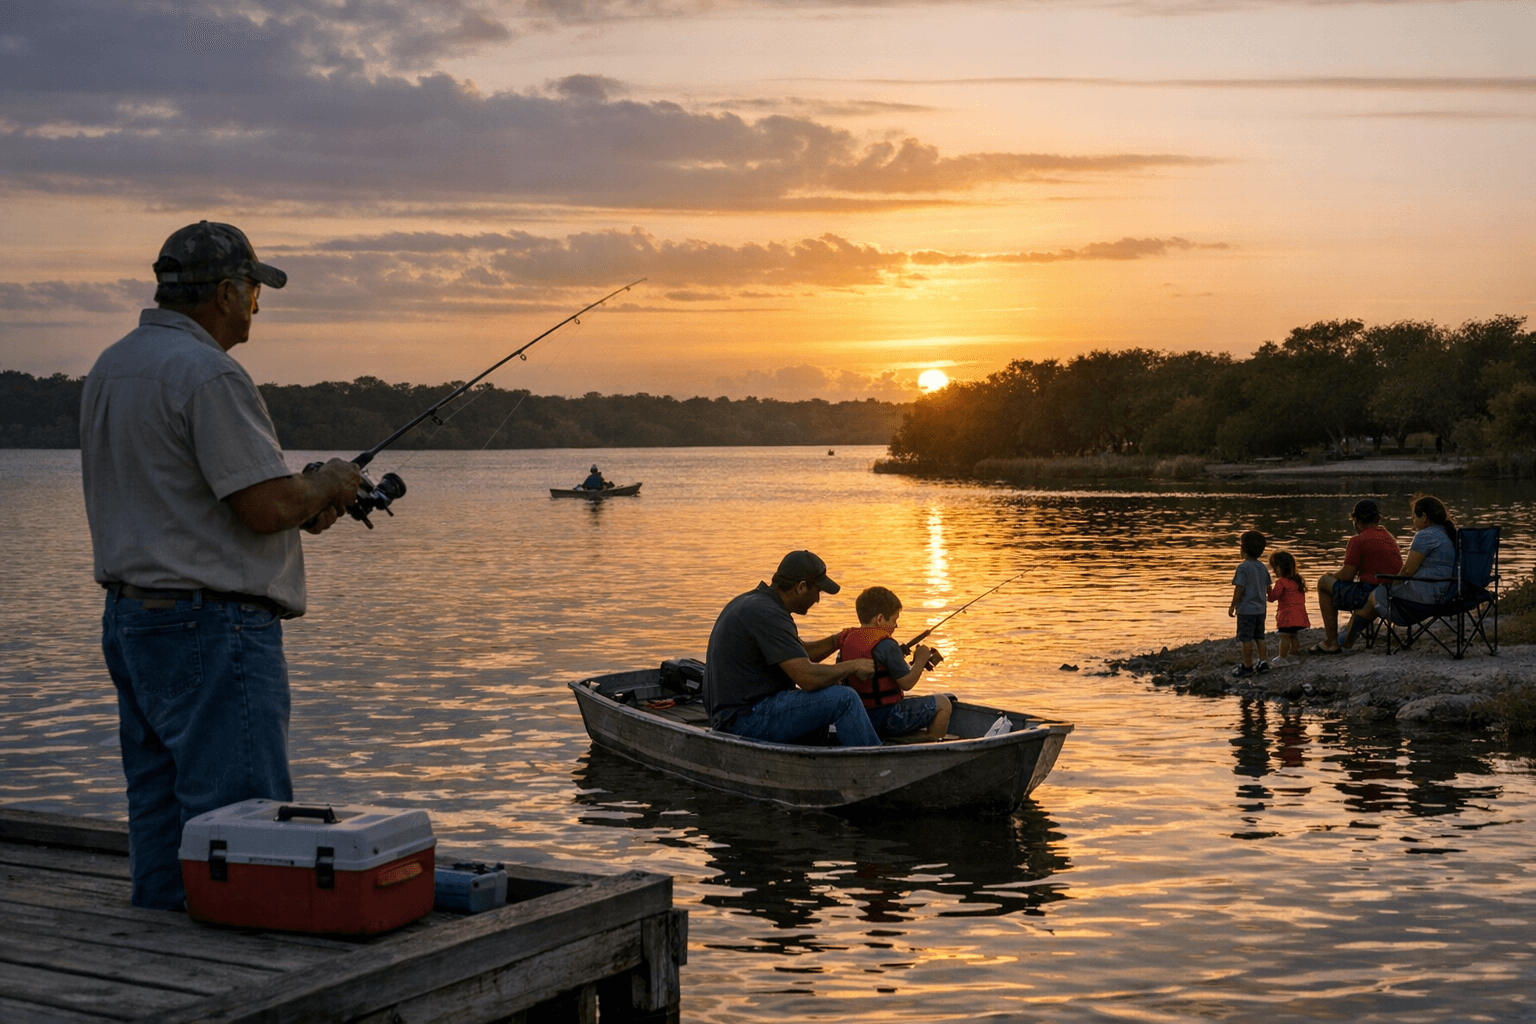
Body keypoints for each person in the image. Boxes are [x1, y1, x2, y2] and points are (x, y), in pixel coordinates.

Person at [79, 221, 362, 910]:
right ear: (228, 292)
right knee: (244, 818)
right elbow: (266, 506)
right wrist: (327, 482)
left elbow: (188, 499)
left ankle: (162, 940)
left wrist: (302, 505)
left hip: (132, 620)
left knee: (158, 803)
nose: (258, 306)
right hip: (211, 629)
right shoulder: (208, 373)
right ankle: (245, 955)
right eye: (255, 291)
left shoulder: (113, 365)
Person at [703, 550, 882, 747]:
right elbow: (807, 678)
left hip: (734, 715)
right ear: (801, 587)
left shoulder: (757, 603)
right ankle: (874, 761)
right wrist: (853, 666)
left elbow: (798, 654)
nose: (818, 599)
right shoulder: (768, 614)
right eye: (817, 591)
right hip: (745, 720)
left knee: (829, 690)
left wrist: (838, 640)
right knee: (844, 698)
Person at [836, 586, 953, 742]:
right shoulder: (887, 645)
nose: (896, 626)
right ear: (880, 619)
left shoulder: (846, 640)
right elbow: (907, 683)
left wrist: (899, 654)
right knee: (944, 703)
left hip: (859, 717)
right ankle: (932, 742)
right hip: (887, 717)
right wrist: (921, 659)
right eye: (894, 620)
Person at [1341, 494, 1459, 639]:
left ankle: (1346, 637)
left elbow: (1407, 570)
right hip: (1447, 595)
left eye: (1414, 518)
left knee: (1377, 594)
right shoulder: (1449, 534)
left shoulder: (1425, 536)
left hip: (1424, 599)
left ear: (1424, 517)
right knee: (1378, 596)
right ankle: (1347, 635)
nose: (1414, 522)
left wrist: (1393, 587)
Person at [1311, 498, 1403, 653]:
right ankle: (1354, 632)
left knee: (1323, 583)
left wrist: (1331, 575)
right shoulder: (1388, 536)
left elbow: (1347, 575)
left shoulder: (1358, 540)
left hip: (1370, 593)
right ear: (1378, 519)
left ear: (1356, 521)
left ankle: (1331, 642)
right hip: (1393, 593)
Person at [1228, 530, 1271, 678]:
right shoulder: (1263, 567)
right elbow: (1268, 587)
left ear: (1243, 549)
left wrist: (1232, 605)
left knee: (1245, 639)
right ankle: (1263, 662)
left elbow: (1239, 589)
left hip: (1246, 610)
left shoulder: (1242, 568)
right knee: (1260, 637)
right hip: (1261, 609)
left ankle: (1247, 666)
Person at [1266, 551, 1311, 666]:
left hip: (1287, 616)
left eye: (1275, 568)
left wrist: (1268, 588)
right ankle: (1294, 655)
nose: (1274, 571)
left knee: (1284, 637)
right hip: (1300, 616)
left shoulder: (1281, 583)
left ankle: (1282, 657)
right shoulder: (1297, 582)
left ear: (1282, 567)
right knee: (1294, 636)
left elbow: (1272, 598)